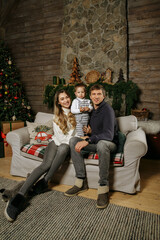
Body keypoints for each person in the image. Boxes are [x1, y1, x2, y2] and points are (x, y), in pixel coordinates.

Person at [4, 89, 77, 222]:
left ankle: (45, 181)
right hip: (55, 142)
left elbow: (73, 137)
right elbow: (60, 138)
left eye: (67, 97)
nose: (66, 100)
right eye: (62, 99)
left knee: (64, 148)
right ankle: (19, 197)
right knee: (46, 164)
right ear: (58, 103)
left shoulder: (77, 112)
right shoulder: (57, 117)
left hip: (66, 146)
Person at [64, 84, 118, 209]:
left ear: (103, 96)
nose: (96, 96)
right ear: (90, 96)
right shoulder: (92, 110)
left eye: (99, 94)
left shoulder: (108, 110)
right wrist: (88, 133)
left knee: (102, 144)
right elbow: (95, 131)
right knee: (73, 141)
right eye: (93, 94)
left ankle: (103, 188)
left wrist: (89, 139)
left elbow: (108, 135)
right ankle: (81, 182)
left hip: (110, 143)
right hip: (96, 142)